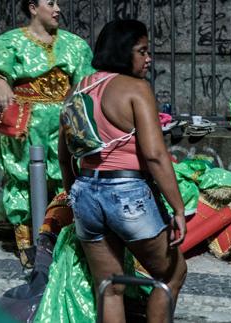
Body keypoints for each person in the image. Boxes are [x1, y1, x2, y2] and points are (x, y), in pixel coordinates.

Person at [58, 20, 187, 323]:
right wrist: (178, 207)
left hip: (85, 192)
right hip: (127, 193)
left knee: (109, 285)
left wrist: (72, 195)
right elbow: (155, 156)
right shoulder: (136, 89)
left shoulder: (77, 90)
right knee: (171, 273)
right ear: (122, 52)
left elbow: (65, 158)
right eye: (142, 51)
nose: (148, 58)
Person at [0, 0, 94, 266]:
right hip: (27, 123)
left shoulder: (74, 45)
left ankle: (63, 236)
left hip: (63, 120)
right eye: (50, 2)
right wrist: (1, 82)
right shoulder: (10, 42)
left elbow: (86, 82)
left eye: (59, 3)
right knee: (24, 179)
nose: (58, 8)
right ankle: (26, 243)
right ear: (33, 7)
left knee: (66, 177)